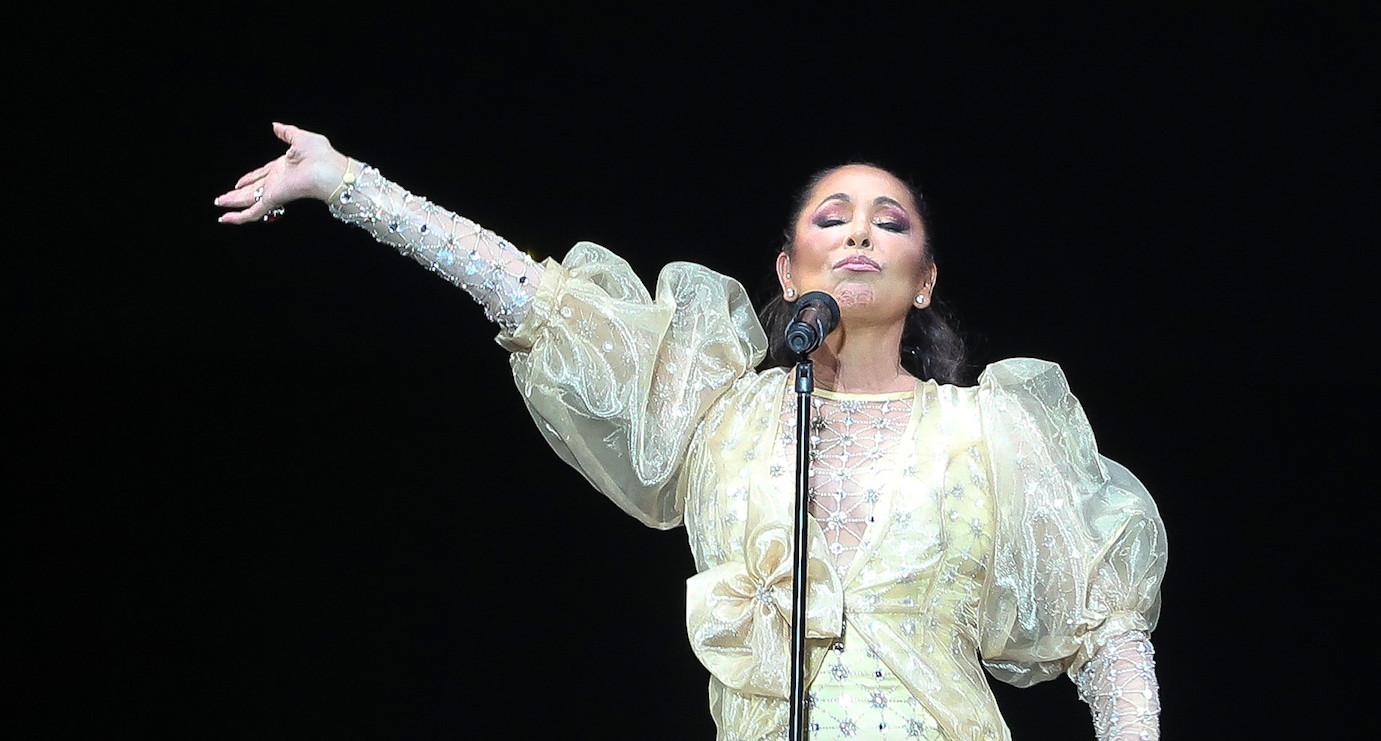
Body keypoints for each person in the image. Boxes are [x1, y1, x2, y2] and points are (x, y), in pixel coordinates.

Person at [216, 123, 1167, 741]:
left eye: (891, 222)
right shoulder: (721, 410)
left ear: (923, 280)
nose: (860, 235)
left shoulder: (992, 429)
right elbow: (544, 302)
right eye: (831, 219)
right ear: (790, 271)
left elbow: (1109, 631)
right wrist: (352, 185)